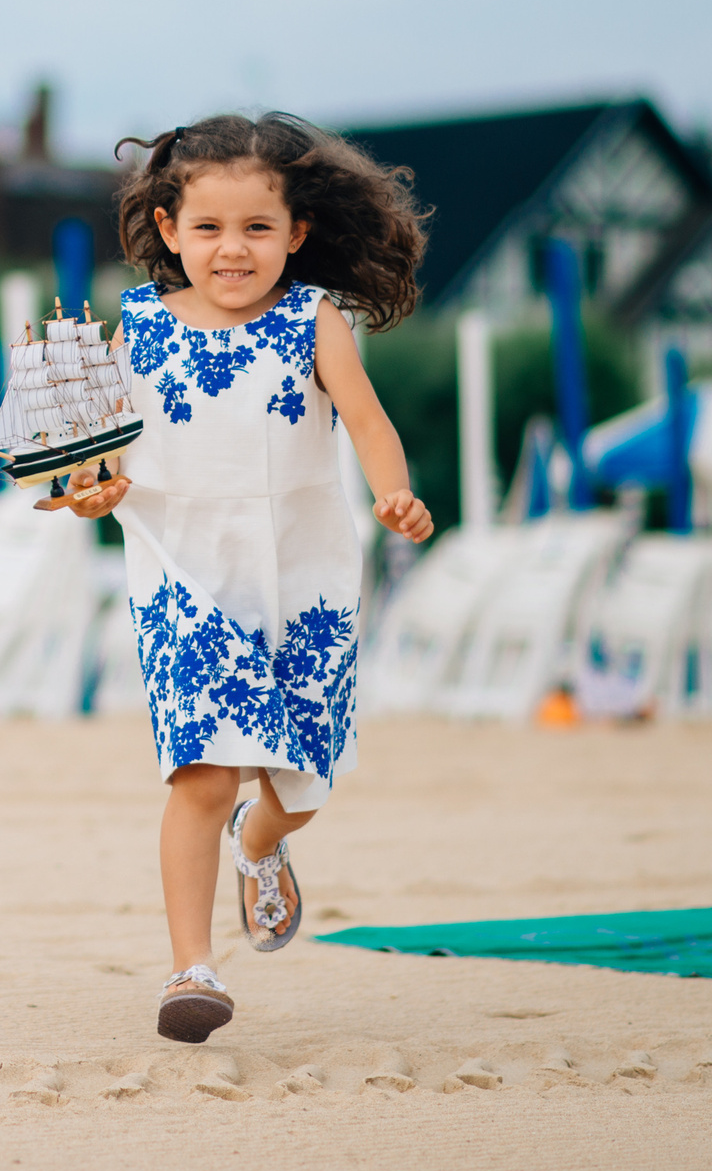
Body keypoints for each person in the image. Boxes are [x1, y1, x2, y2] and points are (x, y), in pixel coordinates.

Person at [36, 111, 434, 1043]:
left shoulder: (313, 318)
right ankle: (191, 967)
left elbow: (369, 423)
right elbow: (89, 460)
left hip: (304, 579)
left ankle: (262, 845)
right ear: (169, 230)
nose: (233, 249)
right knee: (203, 773)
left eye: (257, 228)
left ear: (296, 233)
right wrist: (91, 494)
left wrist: (397, 492)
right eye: (209, 228)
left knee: (298, 783)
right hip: (184, 576)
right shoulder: (135, 326)